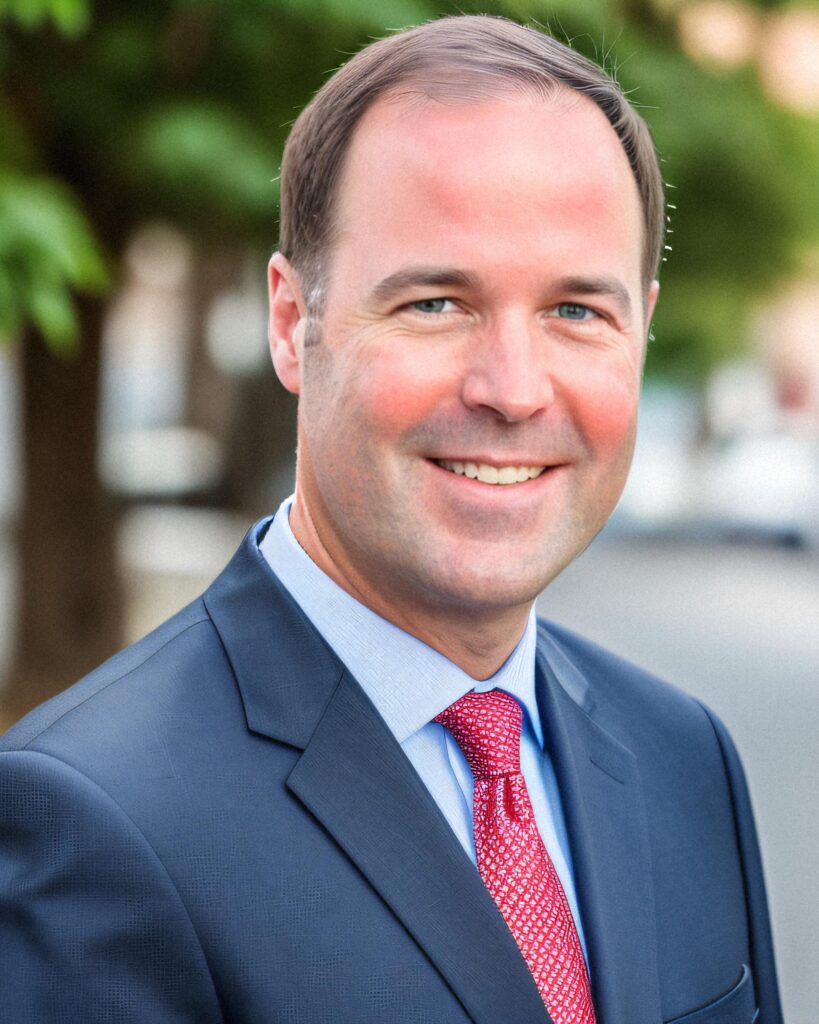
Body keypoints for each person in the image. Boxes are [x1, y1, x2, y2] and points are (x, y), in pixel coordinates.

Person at [0, 15, 782, 1024]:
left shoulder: (685, 757)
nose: (512, 389)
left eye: (576, 311)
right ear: (293, 323)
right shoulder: (94, 819)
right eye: (436, 303)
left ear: (642, 332)